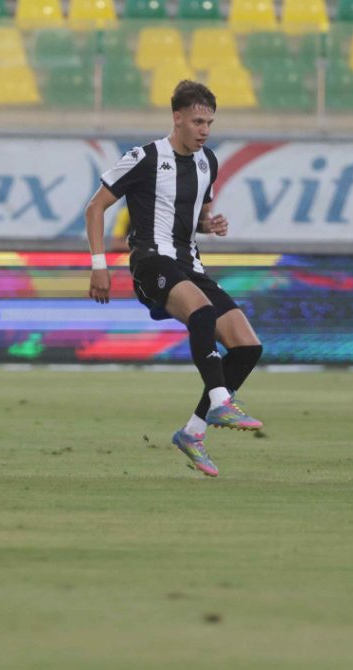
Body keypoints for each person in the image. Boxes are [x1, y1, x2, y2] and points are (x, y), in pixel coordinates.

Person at [85, 80, 264, 478]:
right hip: (151, 261)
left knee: (248, 346)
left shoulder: (207, 162)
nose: (204, 130)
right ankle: (220, 400)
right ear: (177, 118)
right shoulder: (145, 157)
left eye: (210, 123)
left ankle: (192, 432)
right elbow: (95, 207)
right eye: (198, 122)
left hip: (190, 265)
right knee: (202, 313)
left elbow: (194, 215)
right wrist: (99, 264)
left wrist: (208, 224)